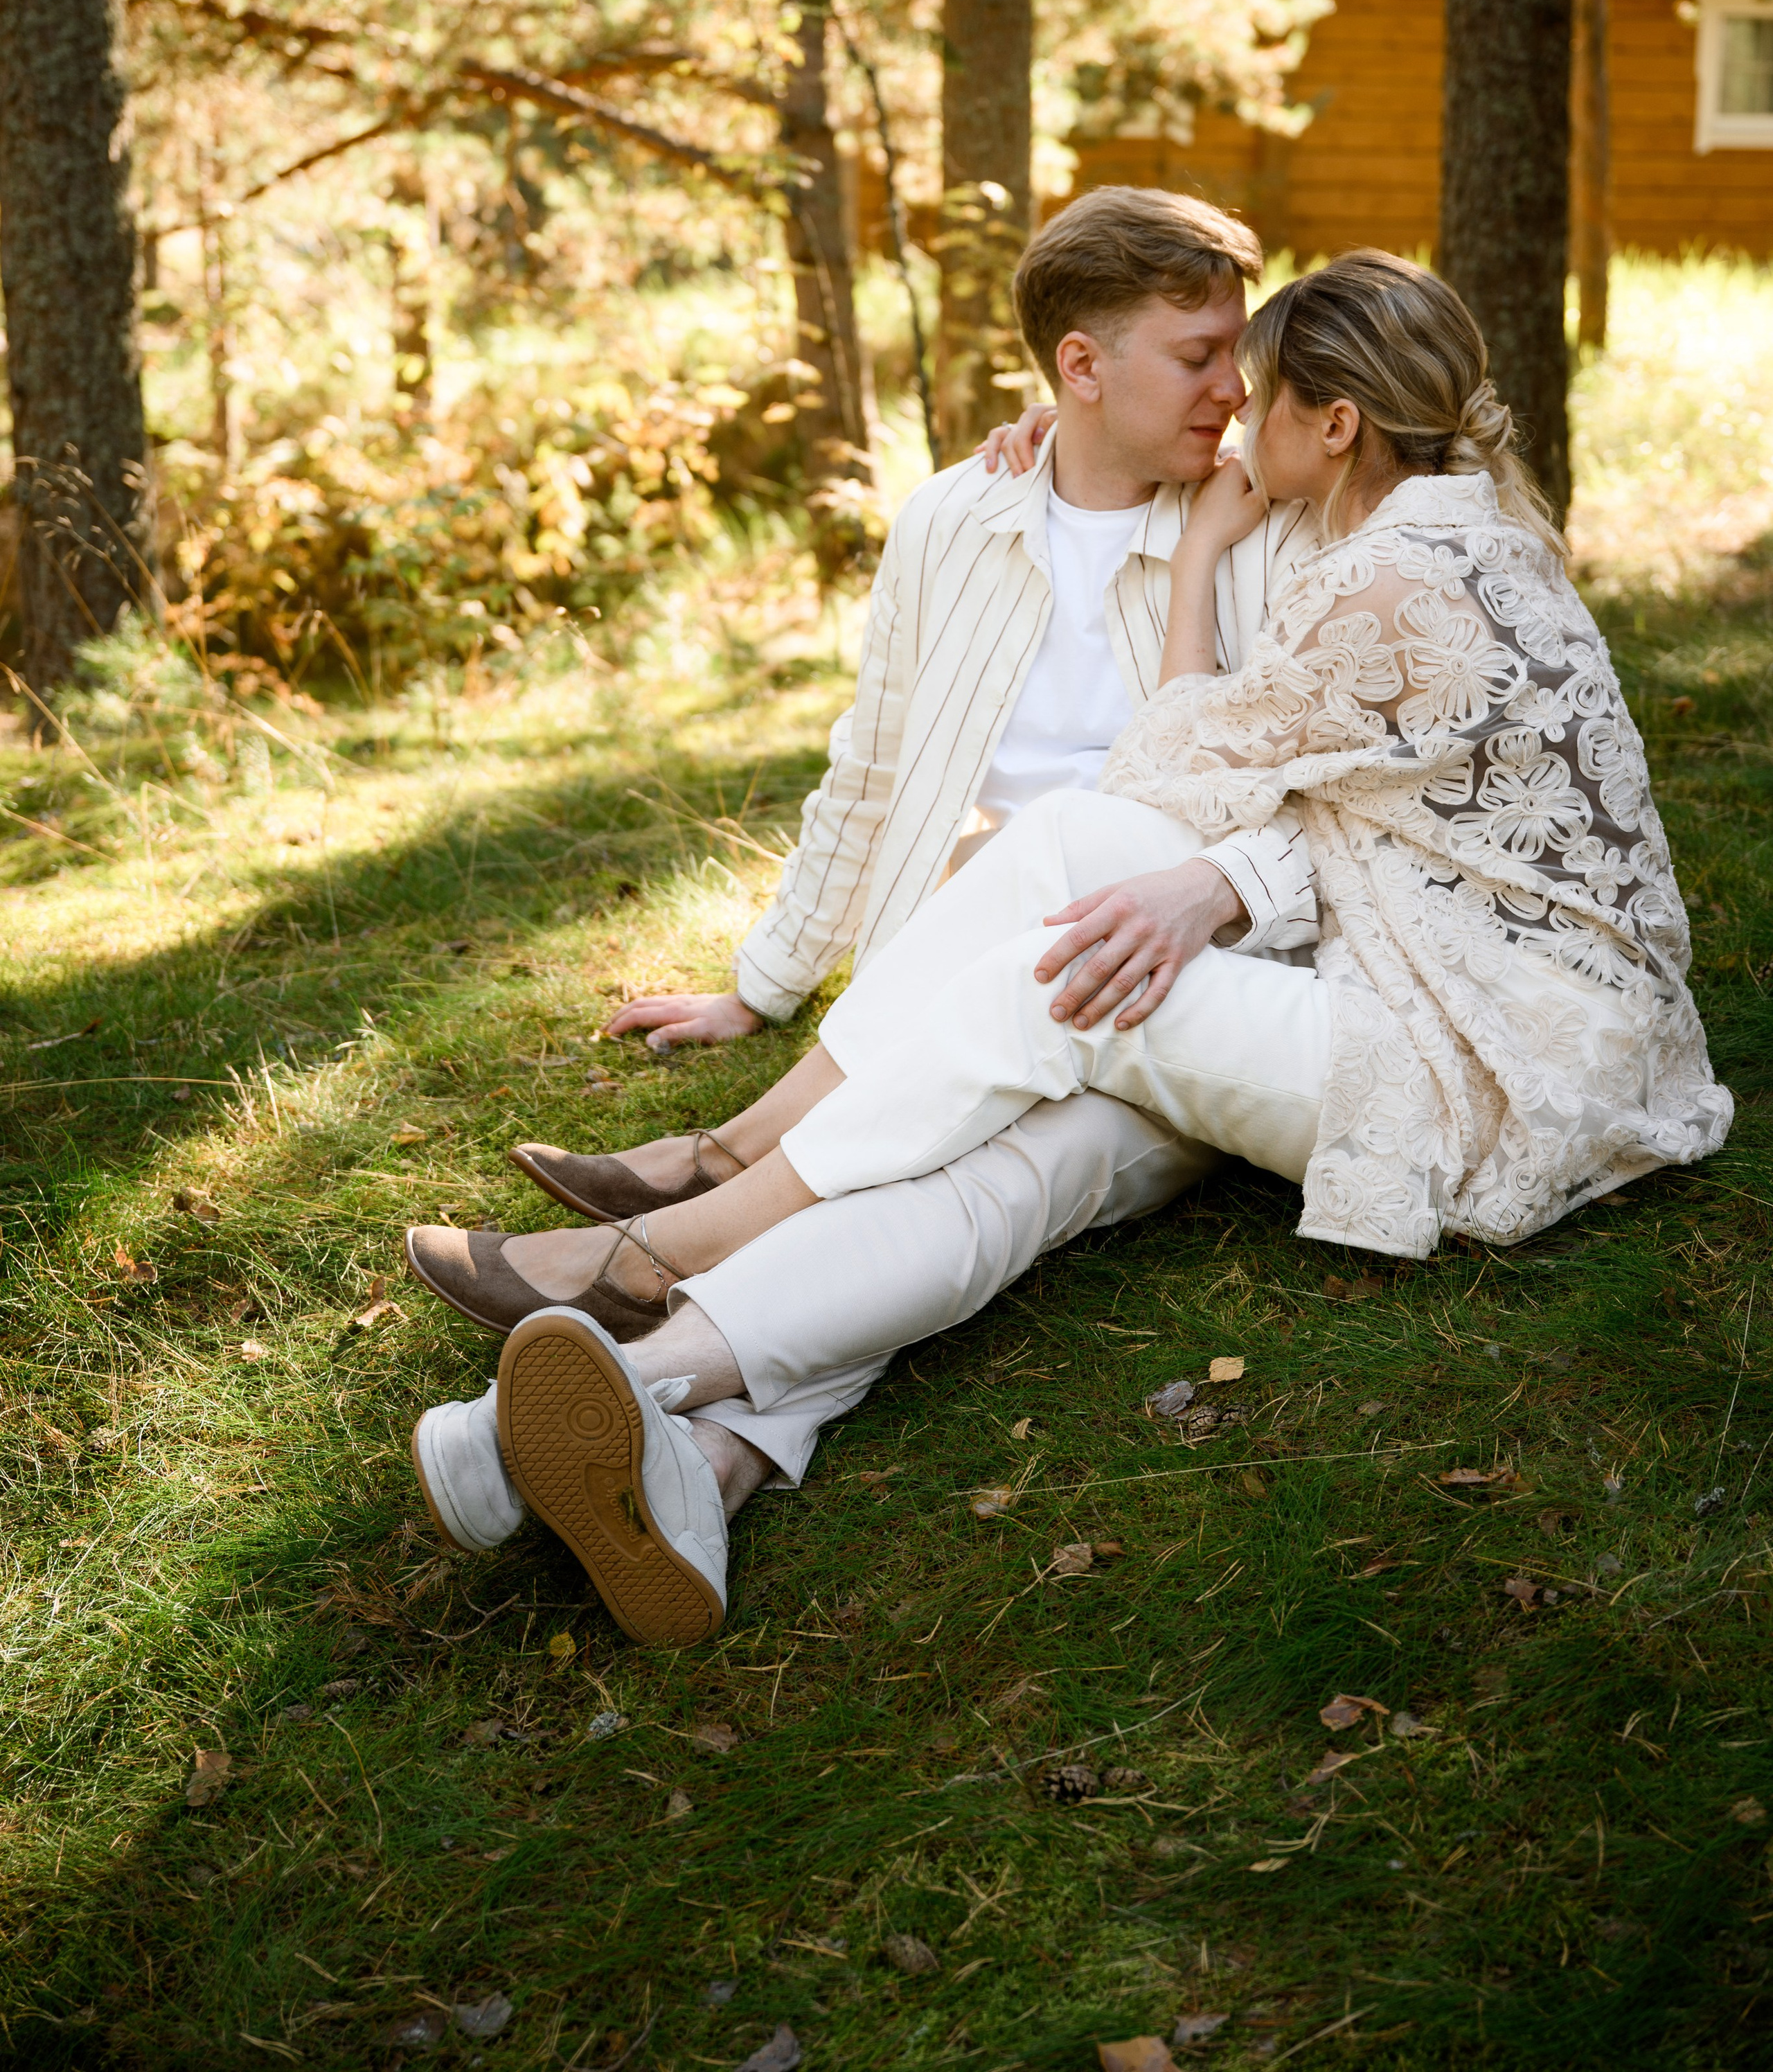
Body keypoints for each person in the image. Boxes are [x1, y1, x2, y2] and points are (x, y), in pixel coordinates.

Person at [407, 249, 1729, 1645]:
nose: (1234, 412)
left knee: (1061, 985)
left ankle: (673, 1251)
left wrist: (1205, 556)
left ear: (1333, 425)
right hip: (1437, 991)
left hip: (1484, 1075)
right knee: (1046, 946)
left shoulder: (1384, 569)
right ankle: (674, 1448)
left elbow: (1170, 774)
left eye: (1262, 390)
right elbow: (1184, 801)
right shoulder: (1444, 533)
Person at [406, 187, 1323, 1515]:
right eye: (1196, 358)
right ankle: (709, 1468)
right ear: (1080, 365)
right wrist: (766, 982)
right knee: (944, 1163)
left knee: (996, 1177)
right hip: (958, 959)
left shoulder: (1261, 531)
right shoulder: (958, 518)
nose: (1232, 395)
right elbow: (873, 766)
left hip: (1158, 970)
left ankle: (647, 1288)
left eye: (1236, 358)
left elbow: (1311, 790)